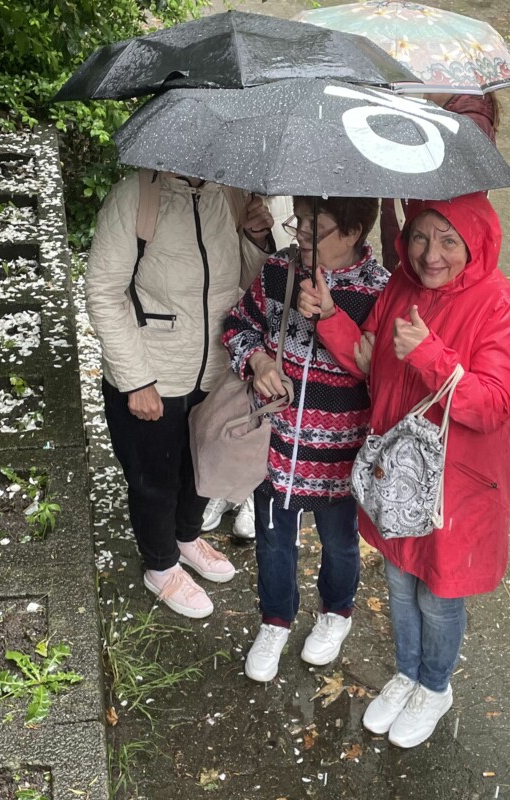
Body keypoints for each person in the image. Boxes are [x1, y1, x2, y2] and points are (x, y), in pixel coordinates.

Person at [303, 192, 510, 748]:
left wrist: (431, 356)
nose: (431, 254)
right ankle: (407, 672)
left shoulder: (497, 304)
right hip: (395, 472)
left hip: (456, 485)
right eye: (422, 236)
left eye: (449, 241)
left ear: (474, 244)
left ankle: (435, 683)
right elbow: (366, 358)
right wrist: (330, 316)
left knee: (439, 591)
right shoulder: (401, 283)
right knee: (400, 582)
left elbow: (493, 405)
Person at [85, 170, 275, 619]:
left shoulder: (228, 193)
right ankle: (160, 565)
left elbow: (248, 284)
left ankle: (187, 537)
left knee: (201, 465)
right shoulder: (137, 195)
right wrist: (135, 379)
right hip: (154, 370)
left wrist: (254, 237)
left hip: (215, 365)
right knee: (154, 480)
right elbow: (103, 291)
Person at [223, 195, 388, 682]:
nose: (300, 238)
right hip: (276, 444)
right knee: (274, 542)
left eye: (316, 231)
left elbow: (378, 372)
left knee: (341, 543)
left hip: (342, 452)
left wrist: (330, 315)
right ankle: (275, 619)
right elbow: (238, 324)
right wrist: (256, 362)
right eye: (299, 224)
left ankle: (336, 612)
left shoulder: (379, 290)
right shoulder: (279, 271)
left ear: (354, 232)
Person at [202, 195, 300, 542]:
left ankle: (248, 489)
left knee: (271, 396)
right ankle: (227, 482)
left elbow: (285, 254)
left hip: (278, 291)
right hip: (222, 305)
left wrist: (261, 239)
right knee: (232, 399)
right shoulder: (222, 179)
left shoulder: (291, 186)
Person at [378, 93, 500, 272]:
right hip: (413, 248)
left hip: (431, 262)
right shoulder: (435, 107)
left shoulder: (467, 123)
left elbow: (449, 212)